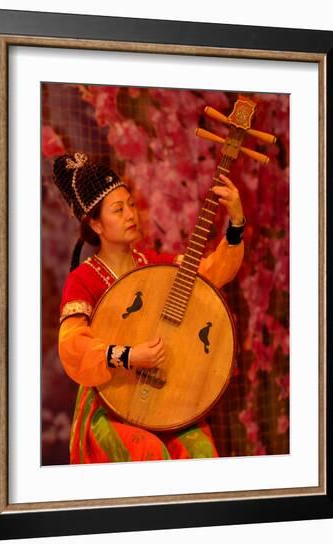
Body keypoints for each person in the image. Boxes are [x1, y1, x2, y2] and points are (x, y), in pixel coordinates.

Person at [53, 152, 245, 463]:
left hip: (165, 400)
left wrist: (236, 223)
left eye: (130, 204)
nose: (131, 214)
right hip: (110, 404)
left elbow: (209, 275)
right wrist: (129, 355)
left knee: (200, 449)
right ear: (96, 224)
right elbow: (72, 346)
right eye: (118, 209)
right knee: (148, 451)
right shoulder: (83, 279)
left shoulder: (151, 265)